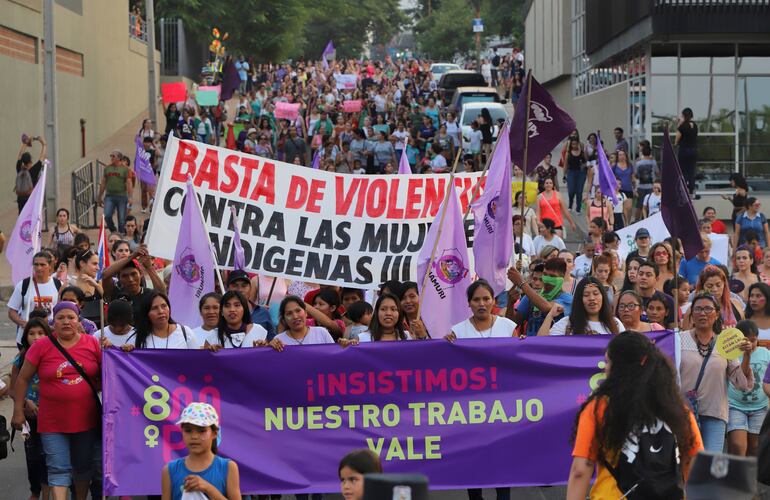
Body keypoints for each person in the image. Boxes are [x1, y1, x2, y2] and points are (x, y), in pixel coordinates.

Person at [568, 332, 703, 499]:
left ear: (620, 367)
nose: (605, 368)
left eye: (608, 361)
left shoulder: (600, 407)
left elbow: (581, 470)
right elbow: (695, 463)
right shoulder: (677, 409)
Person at [11, 302, 102, 500]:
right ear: (54, 322)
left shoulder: (93, 344)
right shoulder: (42, 346)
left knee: (82, 468)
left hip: (86, 420)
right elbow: (23, 378)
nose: (66, 322)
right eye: (61, 318)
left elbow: (108, 376)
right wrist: (18, 410)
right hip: (52, 422)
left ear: (78, 321)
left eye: (71, 317)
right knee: (58, 469)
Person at [680, 293, 753, 452]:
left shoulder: (725, 343)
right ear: (692, 314)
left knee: (710, 464)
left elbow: (741, 383)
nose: (703, 313)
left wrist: (746, 356)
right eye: (698, 309)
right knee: (689, 465)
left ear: (717, 313)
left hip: (715, 413)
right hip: (685, 414)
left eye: (707, 309)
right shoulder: (679, 340)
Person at [161, 402, 242, 500]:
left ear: (214, 433)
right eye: (188, 430)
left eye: (201, 431)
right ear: (182, 431)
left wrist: (209, 489)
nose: (194, 436)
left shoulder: (228, 467)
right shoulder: (170, 470)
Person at [10, 318, 51, 500]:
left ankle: (47, 493)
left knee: (49, 456)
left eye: (41, 333)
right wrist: (25, 402)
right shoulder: (20, 357)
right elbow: (13, 388)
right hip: (29, 417)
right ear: (25, 336)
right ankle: (35, 491)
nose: (36, 337)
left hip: (51, 415)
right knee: (32, 456)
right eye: (32, 333)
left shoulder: (54, 354)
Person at [727, 319, 770, 457]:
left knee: (755, 447)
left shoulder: (765, 353)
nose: (750, 344)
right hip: (735, 406)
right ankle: (735, 475)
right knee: (737, 446)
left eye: (754, 340)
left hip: (760, 407)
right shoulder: (732, 355)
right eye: (746, 340)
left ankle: (750, 477)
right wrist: (747, 355)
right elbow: (743, 377)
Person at [8, 251, 62, 348]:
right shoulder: (23, 285)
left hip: (50, 337)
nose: (38, 268)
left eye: (42, 264)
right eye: (36, 264)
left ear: (50, 266)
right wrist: (23, 323)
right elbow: (12, 311)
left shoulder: (59, 285)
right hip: (27, 339)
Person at [508, 258, 574, 337]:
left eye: (552, 276)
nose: (547, 279)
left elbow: (547, 307)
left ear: (562, 278)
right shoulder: (530, 297)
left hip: (554, 346)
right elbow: (512, 323)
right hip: (531, 346)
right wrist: (510, 303)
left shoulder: (567, 299)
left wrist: (521, 283)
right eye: (545, 274)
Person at [540, 277, 622, 336]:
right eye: (586, 295)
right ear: (579, 299)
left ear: (603, 297)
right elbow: (541, 345)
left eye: (596, 294)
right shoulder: (567, 324)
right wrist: (550, 315)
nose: (592, 298)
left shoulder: (615, 324)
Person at [123, 291, 200, 350]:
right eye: (154, 308)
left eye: (164, 306)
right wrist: (127, 350)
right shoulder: (135, 338)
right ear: (146, 313)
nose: (161, 311)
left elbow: (198, 360)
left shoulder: (186, 333)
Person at [446, 280, 517, 341]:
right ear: (469, 303)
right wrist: (445, 344)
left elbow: (516, 353)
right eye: (476, 300)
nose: (481, 304)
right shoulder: (458, 332)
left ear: (493, 301)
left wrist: (523, 342)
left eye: (486, 299)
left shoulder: (508, 327)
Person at [268, 296, 335, 350]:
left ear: (306, 313)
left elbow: (334, 355)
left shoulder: (321, 333)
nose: (295, 316)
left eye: (298, 311)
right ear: (284, 319)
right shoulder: (279, 340)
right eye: (289, 313)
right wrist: (270, 347)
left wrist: (344, 345)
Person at [225, 270, 276, 340]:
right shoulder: (222, 314)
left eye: (244, 286)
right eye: (235, 286)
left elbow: (272, 341)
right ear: (227, 289)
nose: (240, 290)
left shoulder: (263, 313)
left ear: (250, 288)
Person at [97, 150, 131, 234]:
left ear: (119, 158)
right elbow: (103, 182)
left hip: (122, 196)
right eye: (111, 156)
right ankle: (113, 230)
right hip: (109, 196)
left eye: (113, 156)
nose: (111, 158)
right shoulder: (107, 168)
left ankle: (122, 234)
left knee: (122, 219)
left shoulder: (125, 169)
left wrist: (130, 197)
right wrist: (99, 196)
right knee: (107, 215)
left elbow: (129, 183)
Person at [636, 261, 676, 326]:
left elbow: (673, 330)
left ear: (657, 279)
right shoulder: (629, 299)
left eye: (648, 275)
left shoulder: (669, 300)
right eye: (640, 274)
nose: (643, 277)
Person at [15, 134, 47, 213]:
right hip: (30, 198)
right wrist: (44, 144)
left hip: (20, 198)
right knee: (30, 217)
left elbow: (19, 155)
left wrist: (26, 143)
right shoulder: (34, 170)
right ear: (30, 162)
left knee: (21, 216)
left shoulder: (19, 168)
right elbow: (42, 157)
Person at [675, 107, 699, 195]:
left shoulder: (682, 126)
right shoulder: (695, 125)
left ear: (684, 115)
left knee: (683, 170)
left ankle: (684, 189)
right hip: (693, 150)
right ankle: (691, 190)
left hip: (684, 150)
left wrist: (678, 125)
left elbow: (677, 138)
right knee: (691, 171)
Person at [633, 143, 659, 221]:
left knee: (639, 205)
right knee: (650, 204)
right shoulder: (653, 162)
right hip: (651, 186)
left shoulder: (638, 163)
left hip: (641, 186)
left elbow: (635, 175)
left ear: (642, 152)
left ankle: (636, 221)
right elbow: (657, 172)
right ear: (650, 152)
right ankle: (649, 219)